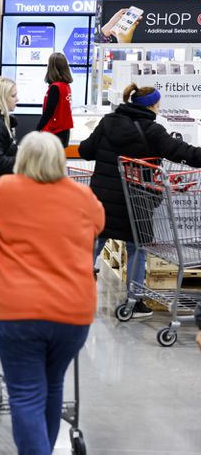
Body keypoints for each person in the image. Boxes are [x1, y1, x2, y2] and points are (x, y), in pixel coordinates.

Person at [0, 131, 104, 455]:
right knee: (53, 385)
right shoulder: (81, 196)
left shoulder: (6, 190)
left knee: (26, 393)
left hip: (18, 312)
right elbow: (97, 224)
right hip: (73, 312)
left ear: (22, 159)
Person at [79, 83, 201, 317]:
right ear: (153, 106)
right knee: (137, 247)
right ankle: (133, 302)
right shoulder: (152, 131)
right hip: (135, 200)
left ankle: (72, 290)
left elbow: (85, 150)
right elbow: (183, 152)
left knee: (94, 242)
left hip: (101, 198)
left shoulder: (108, 122)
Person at [37, 53, 74, 147]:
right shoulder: (66, 86)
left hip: (54, 132)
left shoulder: (55, 87)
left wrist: (37, 129)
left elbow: (49, 111)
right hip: (64, 131)